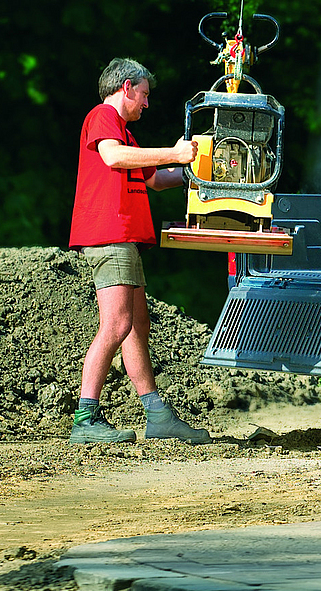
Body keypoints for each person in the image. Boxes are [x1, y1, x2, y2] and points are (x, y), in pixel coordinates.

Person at [68, 57, 211, 445]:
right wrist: (173, 152)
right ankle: (85, 418)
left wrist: (202, 168)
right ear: (126, 87)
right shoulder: (103, 116)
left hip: (123, 237)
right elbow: (113, 158)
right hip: (108, 234)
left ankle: (157, 414)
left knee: (137, 325)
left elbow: (158, 180)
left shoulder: (127, 135)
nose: (147, 104)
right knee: (116, 325)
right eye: (144, 95)